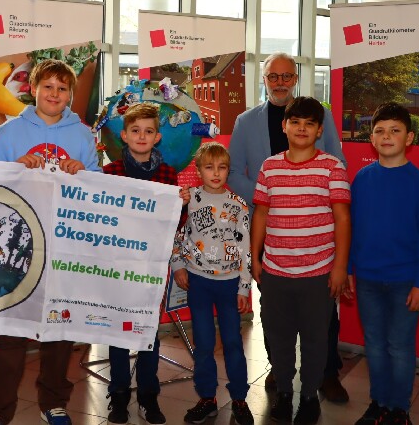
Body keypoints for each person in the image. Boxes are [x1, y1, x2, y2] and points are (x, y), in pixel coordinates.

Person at [0, 59, 101, 425]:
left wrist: (84, 173)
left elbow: (98, 189)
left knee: (60, 328)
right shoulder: (9, 132)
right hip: (15, 245)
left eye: (62, 89)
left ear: (70, 95)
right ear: (33, 88)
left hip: (64, 244)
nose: (54, 94)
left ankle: (54, 402)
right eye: (47, 86)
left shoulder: (81, 136)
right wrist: (15, 166)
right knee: (11, 330)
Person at [228, 51, 349, 403]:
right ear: (263, 80)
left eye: (286, 76)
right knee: (275, 310)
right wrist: (277, 196)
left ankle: (327, 374)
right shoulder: (245, 121)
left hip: (316, 236)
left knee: (322, 313)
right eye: (273, 77)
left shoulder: (318, 114)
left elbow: (337, 164)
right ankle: (280, 370)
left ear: (295, 78)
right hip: (269, 232)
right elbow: (235, 172)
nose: (280, 82)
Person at [250, 96, 351, 425]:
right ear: (285, 126)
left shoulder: (332, 167)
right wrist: (255, 258)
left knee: (315, 339)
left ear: (319, 129)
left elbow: (342, 219)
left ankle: (309, 395)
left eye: (309, 124)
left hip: (318, 273)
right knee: (277, 337)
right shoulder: (270, 167)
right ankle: (283, 392)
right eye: (296, 122)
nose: (302, 128)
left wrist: (339, 268)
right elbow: (261, 214)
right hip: (276, 272)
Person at [348, 103, 419, 425]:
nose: (387, 136)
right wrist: (348, 268)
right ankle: (379, 403)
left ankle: (399, 409)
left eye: (395, 130)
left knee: (399, 346)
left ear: (409, 137)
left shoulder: (418, 183)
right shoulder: (361, 179)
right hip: (368, 280)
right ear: (371, 139)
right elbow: (352, 228)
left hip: (405, 281)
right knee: (373, 345)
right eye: (380, 130)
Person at [102, 102, 190, 425]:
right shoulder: (110, 173)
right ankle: (120, 396)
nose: (142, 136)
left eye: (148, 131)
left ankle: (149, 395)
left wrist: (181, 205)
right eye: (135, 131)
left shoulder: (167, 173)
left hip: (152, 267)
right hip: (118, 266)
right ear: (124, 135)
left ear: (157, 137)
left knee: (148, 332)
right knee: (119, 332)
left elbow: (175, 224)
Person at [170, 142, 255, 425]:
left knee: (232, 341)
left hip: (230, 284)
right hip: (199, 282)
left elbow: (246, 249)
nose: (216, 173)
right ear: (198, 171)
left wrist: (245, 286)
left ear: (229, 170)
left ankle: (240, 398)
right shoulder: (188, 199)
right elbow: (174, 233)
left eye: (222, 167)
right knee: (204, 343)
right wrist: (178, 265)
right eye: (209, 167)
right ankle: (207, 397)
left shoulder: (238, 205)